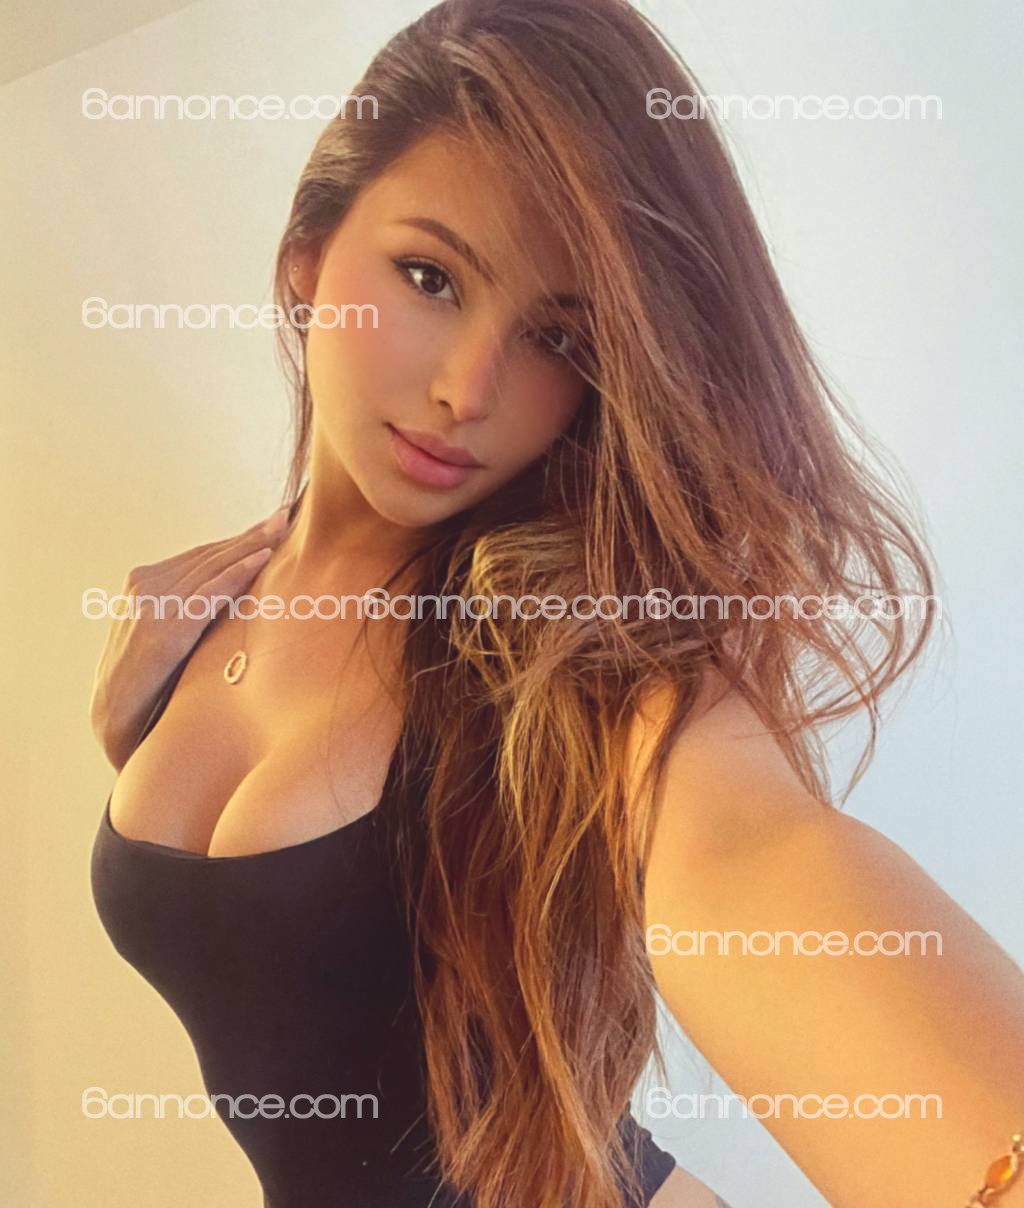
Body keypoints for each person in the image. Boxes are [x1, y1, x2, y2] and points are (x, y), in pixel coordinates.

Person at [89, 1, 1024, 1206]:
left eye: (558, 339)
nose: (466, 388)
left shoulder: (569, 649)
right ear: (309, 253)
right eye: (430, 277)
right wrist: (131, 736)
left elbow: (749, 848)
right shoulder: (193, 623)